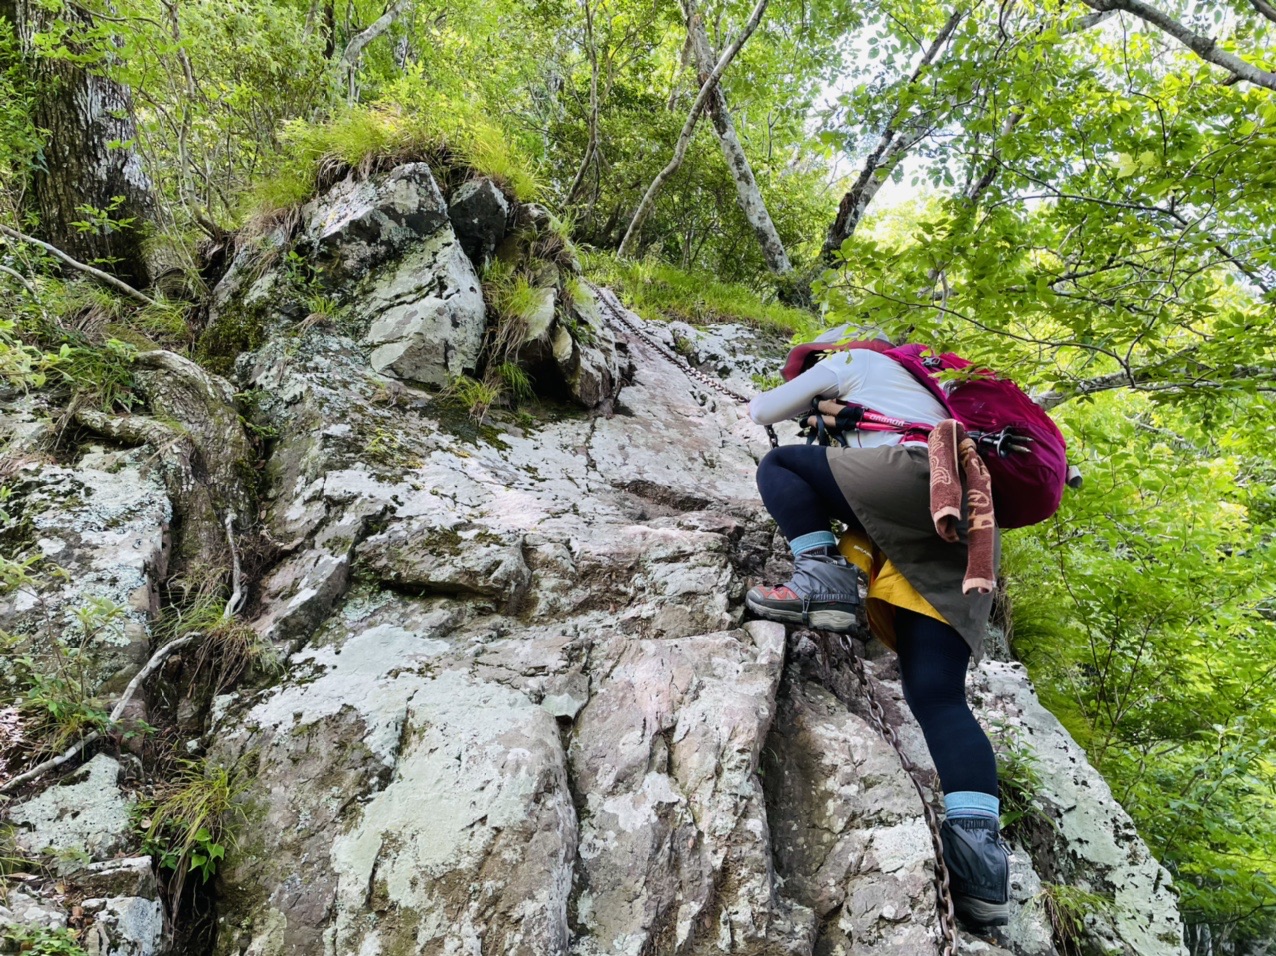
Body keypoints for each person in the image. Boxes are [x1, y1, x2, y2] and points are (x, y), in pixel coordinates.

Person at [745, 342, 1012, 928]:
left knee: (782, 464)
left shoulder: (855, 361)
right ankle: (980, 868)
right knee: (937, 697)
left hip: (916, 481)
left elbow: (762, 412)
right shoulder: (908, 394)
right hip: (958, 529)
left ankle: (822, 581)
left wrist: (800, 404)